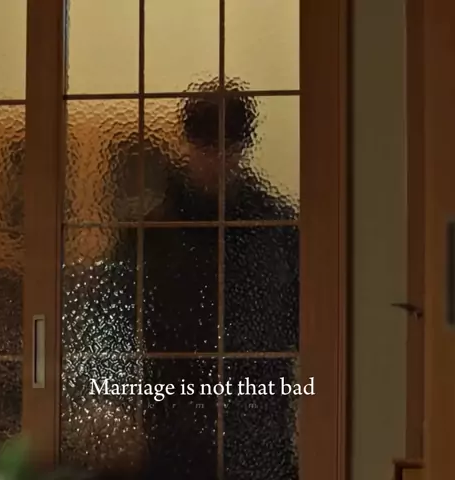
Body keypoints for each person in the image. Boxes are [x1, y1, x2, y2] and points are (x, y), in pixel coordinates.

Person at [63, 80, 299, 480]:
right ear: (188, 145)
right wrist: (106, 397)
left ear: (242, 148)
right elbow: (109, 319)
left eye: (228, 148)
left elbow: (303, 325)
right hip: (172, 435)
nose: (218, 160)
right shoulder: (150, 233)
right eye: (208, 147)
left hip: (254, 437)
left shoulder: (275, 229)